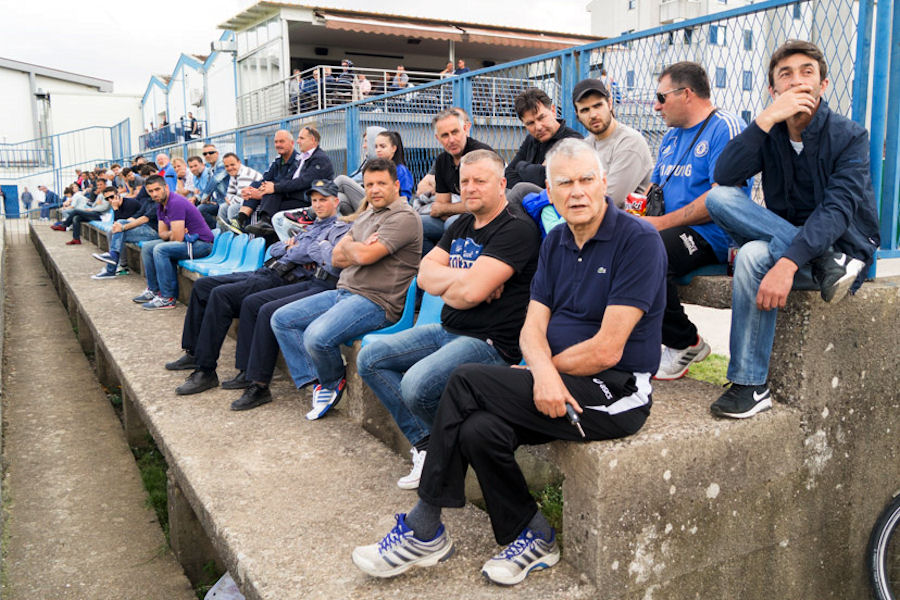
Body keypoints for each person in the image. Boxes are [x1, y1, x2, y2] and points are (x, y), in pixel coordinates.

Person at [352, 138, 666, 585]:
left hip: (614, 390)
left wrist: (544, 370)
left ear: (603, 183)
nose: (577, 192)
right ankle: (534, 535)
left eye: (586, 180)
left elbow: (607, 349)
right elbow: (531, 328)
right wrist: (540, 369)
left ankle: (425, 527)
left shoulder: (637, 240)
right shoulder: (556, 241)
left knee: (465, 381)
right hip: (555, 375)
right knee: (479, 430)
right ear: (550, 192)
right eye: (565, 183)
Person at [704, 40, 879, 419]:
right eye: (786, 75)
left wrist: (788, 263)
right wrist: (765, 120)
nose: (797, 81)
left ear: (823, 84)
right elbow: (724, 175)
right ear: (773, 89)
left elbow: (837, 210)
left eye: (807, 72)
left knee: (753, 254)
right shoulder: (770, 133)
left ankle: (749, 383)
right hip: (817, 260)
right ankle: (752, 388)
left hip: (844, 255)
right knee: (719, 199)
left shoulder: (849, 136)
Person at [356, 149, 540, 490]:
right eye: (464, 181)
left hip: (490, 342)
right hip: (448, 327)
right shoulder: (462, 224)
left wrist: (459, 286)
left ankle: (446, 451)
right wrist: (468, 280)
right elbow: (425, 275)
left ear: (502, 184)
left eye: (480, 181)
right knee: (370, 358)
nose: (470, 188)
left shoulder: (516, 229)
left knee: (416, 386)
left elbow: (468, 294)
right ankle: (428, 444)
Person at [165, 180, 352, 408]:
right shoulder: (311, 226)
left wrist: (299, 247)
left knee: (230, 298)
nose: (318, 204)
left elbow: (311, 255)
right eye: (314, 200)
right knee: (204, 287)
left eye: (323, 200)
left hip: (289, 278)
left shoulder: (340, 228)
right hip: (270, 269)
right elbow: (275, 248)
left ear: (336, 201)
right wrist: (291, 246)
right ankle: (195, 354)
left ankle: (213, 371)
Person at [269, 158, 422, 420]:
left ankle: (331, 383)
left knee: (316, 337)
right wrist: (356, 247)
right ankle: (319, 380)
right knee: (282, 319)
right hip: (344, 292)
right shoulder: (367, 215)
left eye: (381, 183)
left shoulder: (403, 217)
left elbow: (362, 256)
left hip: (376, 302)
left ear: (396, 185)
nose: (374, 190)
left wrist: (353, 248)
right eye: (369, 184)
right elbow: (336, 258)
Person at [645, 61, 750, 381]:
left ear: (686, 94)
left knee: (647, 253)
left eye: (661, 97)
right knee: (617, 244)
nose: (656, 106)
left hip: (712, 235)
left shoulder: (725, 126)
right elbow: (655, 190)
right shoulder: (670, 137)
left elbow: (723, 200)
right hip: (669, 230)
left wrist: (659, 225)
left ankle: (684, 342)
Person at [230, 128, 334, 240]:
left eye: (301, 138)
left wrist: (272, 188)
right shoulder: (302, 158)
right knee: (266, 188)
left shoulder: (318, 158)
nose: (298, 141)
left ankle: (257, 238)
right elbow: (281, 180)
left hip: (306, 200)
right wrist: (258, 190)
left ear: (312, 140)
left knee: (265, 203)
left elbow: (303, 182)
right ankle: (248, 221)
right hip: (293, 196)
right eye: (276, 142)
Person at [131, 175, 214, 310]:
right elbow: (162, 233)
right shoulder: (160, 205)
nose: (154, 194)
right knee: (147, 247)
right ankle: (154, 290)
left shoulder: (175, 202)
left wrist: (173, 234)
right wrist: (172, 233)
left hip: (201, 244)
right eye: (151, 191)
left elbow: (178, 238)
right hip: (187, 242)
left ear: (166, 187)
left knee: (160, 249)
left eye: (157, 189)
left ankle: (167, 297)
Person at [421, 108, 494, 253]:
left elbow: (483, 204)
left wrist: (447, 209)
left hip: (487, 218)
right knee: (417, 224)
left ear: (465, 129)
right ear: (437, 138)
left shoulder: (480, 155)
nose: (451, 140)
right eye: (445, 135)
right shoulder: (442, 161)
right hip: (462, 216)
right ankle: (433, 264)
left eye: (455, 132)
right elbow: (439, 207)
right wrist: (450, 209)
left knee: (452, 223)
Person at [573, 78, 652, 207]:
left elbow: (609, 200)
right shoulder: (586, 145)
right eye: (585, 110)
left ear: (609, 104)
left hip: (620, 217)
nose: (593, 115)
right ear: (577, 115)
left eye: (598, 106)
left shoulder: (629, 142)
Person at [504, 87, 581, 207]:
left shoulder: (572, 141)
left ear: (553, 110)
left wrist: (521, 166)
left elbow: (548, 180)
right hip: (529, 205)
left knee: (520, 189)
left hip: (558, 207)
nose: (538, 127)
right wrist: (535, 171)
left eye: (541, 118)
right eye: (530, 123)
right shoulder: (531, 139)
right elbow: (508, 175)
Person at [333, 126, 386, 216]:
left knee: (342, 180)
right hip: (364, 202)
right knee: (339, 198)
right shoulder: (368, 161)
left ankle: (310, 212)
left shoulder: (384, 164)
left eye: (366, 142)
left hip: (374, 204)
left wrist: (348, 184)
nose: (364, 146)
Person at [52, 179, 110, 244]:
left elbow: (105, 207)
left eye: (101, 185)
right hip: (95, 213)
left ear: (105, 185)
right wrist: (96, 203)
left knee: (76, 211)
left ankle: (64, 225)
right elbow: (94, 205)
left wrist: (93, 209)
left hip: (101, 216)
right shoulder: (100, 194)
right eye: (98, 185)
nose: (99, 186)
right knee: (76, 218)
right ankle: (76, 239)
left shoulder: (107, 194)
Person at [218, 153, 262, 224]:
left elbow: (241, 198)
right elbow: (229, 194)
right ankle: (224, 230)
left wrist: (230, 200)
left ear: (239, 162)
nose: (230, 168)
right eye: (226, 166)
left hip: (256, 204)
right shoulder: (234, 173)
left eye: (232, 165)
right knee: (223, 207)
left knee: (232, 208)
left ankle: (236, 230)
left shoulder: (245, 174)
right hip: (244, 202)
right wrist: (231, 200)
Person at [197, 144, 229, 229]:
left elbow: (214, 181)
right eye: (205, 154)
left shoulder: (222, 165)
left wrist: (203, 198)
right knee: (197, 207)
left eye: (211, 153)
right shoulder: (210, 169)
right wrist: (202, 198)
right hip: (218, 200)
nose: (208, 155)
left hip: (227, 200)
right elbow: (208, 187)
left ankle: (217, 231)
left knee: (201, 208)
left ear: (217, 153)